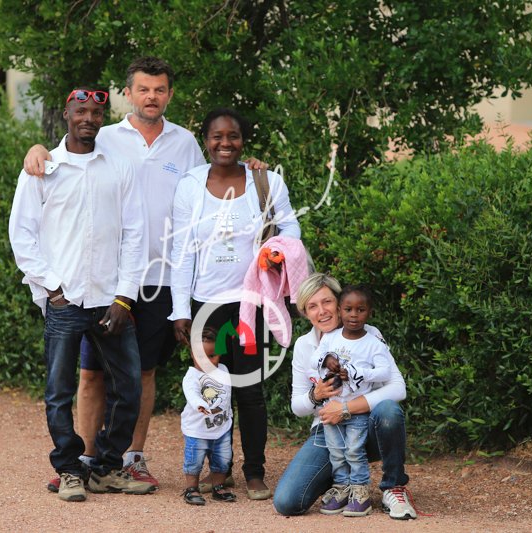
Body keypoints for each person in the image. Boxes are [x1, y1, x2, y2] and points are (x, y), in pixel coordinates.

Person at [24, 58, 266, 492]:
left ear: (169, 95)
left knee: (142, 374)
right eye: (143, 89)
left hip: (160, 276)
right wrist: (38, 149)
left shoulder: (186, 142)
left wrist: (250, 169)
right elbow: (69, 151)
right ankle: (85, 460)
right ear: (129, 94)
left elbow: (213, 178)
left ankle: (130, 459)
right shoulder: (105, 136)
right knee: (90, 374)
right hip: (103, 280)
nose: (151, 96)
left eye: (159, 89)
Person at [8, 87, 153, 501]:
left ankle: (105, 467)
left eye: (95, 112)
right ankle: (70, 470)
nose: (88, 118)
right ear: (66, 114)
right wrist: (52, 287)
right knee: (59, 393)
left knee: (128, 388)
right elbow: (22, 234)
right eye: (80, 111)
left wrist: (125, 297)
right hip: (65, 301)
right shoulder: (43, 169)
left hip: (110, 300)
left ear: (102, 118)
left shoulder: (119, 168)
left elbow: (136, 233)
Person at [169, 107, 301, 500]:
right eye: (217, 136)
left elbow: (290, 225)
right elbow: (181, 251)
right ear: (205, 141)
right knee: (213, 388)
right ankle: (219, 470)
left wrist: (278, 250)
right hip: (206, 307)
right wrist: (180, 311)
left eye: (233, 136)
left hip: (251, 304)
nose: (225, 143)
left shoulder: (266, 181)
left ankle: (255, 472)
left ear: (243, 141)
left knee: (250, 391)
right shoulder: (190, 186)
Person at [272, 273, 418, 519]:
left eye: (327, 302)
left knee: (389, 411)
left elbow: (397, 388)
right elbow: (297, 406)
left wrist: (346, 408)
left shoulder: (369, 334)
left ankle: (393, 487)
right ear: (305, 313)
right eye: (312, 306)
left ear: (339, 304)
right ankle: (341, 483)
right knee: (287, 502)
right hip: (327, 428)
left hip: (367, 424)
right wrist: (316, 395)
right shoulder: (305, 346)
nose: (322, 311)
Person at [309, 285, 393, 517]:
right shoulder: (330, 338)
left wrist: (358, 373)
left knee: (354, 451)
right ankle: (342, 488)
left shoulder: (373, 343)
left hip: (357, 412)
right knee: (336, 452)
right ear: (339, 310)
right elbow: (314, 359)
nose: (354, 315)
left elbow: (385, 372)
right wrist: (327, 358)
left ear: (369, 312)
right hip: (330, 409)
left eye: (360, 310)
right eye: (348, 309)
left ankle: (360, 491)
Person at [180, 327, 236, 505]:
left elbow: (226, 394)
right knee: (194, 461)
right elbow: (192, 394)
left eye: (212, 356)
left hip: (221, 428)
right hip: (197, 430)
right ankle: (191, 489)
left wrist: (228, 413)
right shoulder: (192, 376)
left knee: (223, 460)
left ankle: (218, 487)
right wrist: (200, 404)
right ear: (192, 354)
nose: (207, 362)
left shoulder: (223, 370)